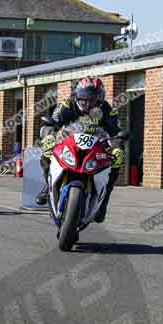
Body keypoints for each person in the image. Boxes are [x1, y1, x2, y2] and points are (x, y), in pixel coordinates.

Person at [37, 76, 125, 223]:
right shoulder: (66, 104)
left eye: (92, 99)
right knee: (46, 154)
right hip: (68, 143)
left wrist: (118, 149)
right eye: (84, 98)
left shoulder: (108, 110)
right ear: (77, 95)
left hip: (96, 146)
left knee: (116, 164)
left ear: (100, 98)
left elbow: (116, 133)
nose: (88, 102)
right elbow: (51, 124)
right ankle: (48, 186)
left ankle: (103, 202)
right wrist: (48, 138)